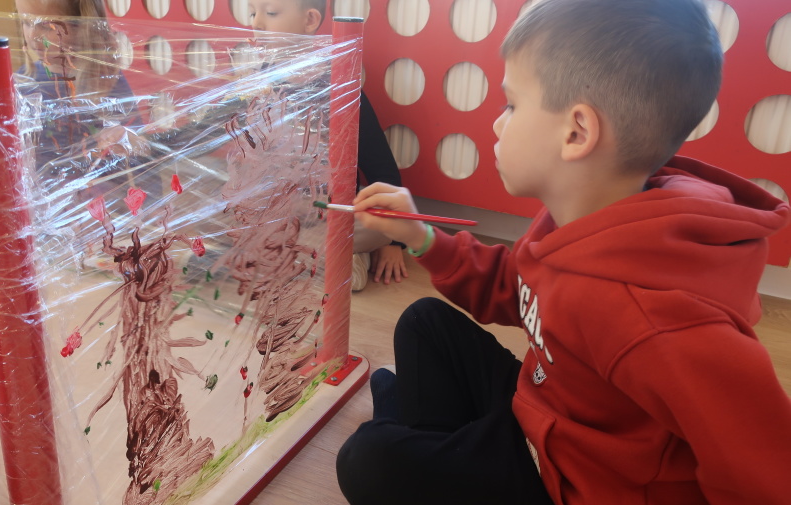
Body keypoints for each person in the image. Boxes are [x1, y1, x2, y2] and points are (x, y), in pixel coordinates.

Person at [336, 0, 791, 504]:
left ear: (576, 132)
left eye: (512, 105)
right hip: (544, 416)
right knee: (423, 322)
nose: (497, 124)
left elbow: (765, 472)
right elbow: (516, 288)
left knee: (367, 459)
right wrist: (421, 236)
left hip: (570, 483)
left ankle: (416, 432)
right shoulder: (578, 217)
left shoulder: (660, 319)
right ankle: (425, 436)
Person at [247, 0, 409, 291]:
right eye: (252, 12)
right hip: (282, 209)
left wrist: (394, 242)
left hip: (333, 211)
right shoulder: (262, 82)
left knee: (375, 232)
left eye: (270, 13)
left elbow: (381, 167)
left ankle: (308, 254)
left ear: (310, 20)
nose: (256, 23)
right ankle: (310, 254)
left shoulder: (340, 86)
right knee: (224, 216)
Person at [15, 0, 152, 201]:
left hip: (102, 202)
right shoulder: (25, 80)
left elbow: (142, 151)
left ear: (82, 27)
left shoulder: (106, 81)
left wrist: (125, 138)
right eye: (26, 22)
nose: (33, 35)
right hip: (43, 201)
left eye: (46, 26)